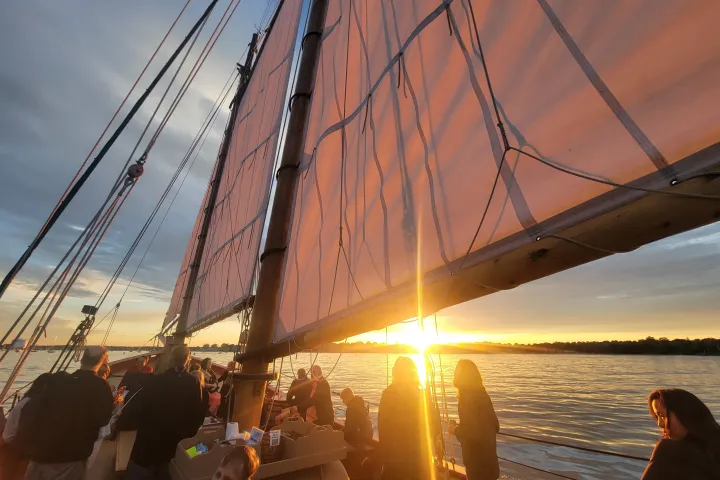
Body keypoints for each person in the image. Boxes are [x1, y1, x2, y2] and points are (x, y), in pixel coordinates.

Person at [20, 346, 114, 480]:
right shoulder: (100, 386)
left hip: (38, 456)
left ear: (82, 359)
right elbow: (102, 420)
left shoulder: (58, 381)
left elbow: (31, 408)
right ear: (103, 360)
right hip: (68, 459)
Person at [124, 346, 205, 479]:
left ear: (170, 360)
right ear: (187, 360)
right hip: (173, 448)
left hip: (147, 446)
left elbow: (135, 410)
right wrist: (185, 435)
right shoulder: (194, 382)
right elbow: (197, 416)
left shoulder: (153, 381)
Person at [378, 356, 438, 480]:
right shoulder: (422, 394)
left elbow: (383, 428)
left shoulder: (389, 394)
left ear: (396, 372)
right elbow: (431, 424)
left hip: (396, 461)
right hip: (419, 460)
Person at [641, 388, 720, 479]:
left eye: (663, 416)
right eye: (657, 416)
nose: (660, 423)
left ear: (684, 414)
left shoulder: (667, 449)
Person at [448, 359, 499, 480]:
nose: (454, 373)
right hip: (491, 463)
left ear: (463, 376)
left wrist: (455, 430)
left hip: (477, 467)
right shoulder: (483, 395)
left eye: (456, 371)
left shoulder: (465, 399)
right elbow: (496, 426)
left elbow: (471, 433)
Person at [0, 373, 54, 479]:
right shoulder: (35, 406)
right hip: (21, 455)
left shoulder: (24, 404)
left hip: (18, 454)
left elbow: (8, 436)